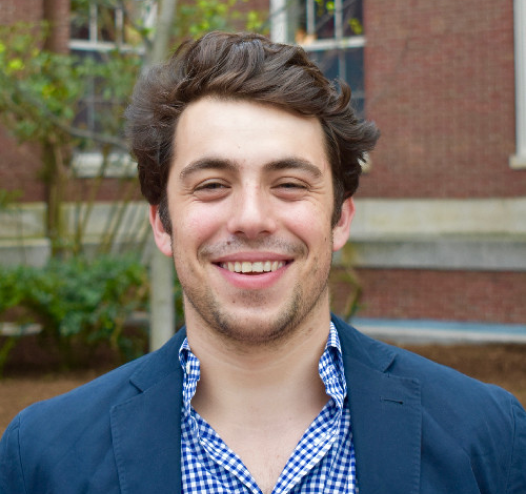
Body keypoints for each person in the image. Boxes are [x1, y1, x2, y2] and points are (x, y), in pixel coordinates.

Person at [1, 31, 525, 494]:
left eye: (290, 184)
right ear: (162, 223)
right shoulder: (43, 457)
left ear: (340, 218)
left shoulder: (489, 438)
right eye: (211, 185)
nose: (251, 219)